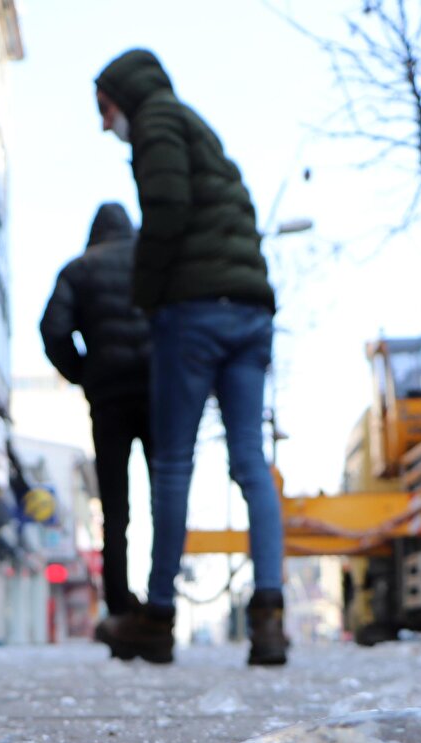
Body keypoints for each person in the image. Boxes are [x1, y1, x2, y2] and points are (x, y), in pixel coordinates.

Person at [91, 48, 287, 667]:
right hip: (252, 313)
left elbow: (167, 210)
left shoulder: (157, 122)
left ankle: (156, 618)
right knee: (251, 463)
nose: (104, 125)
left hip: (195, 312)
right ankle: (270, 616)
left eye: (104, 109)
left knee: (173, 463)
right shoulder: (197, 126)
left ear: (124, 96)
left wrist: (148, 296)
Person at [40, 202, 152, 622]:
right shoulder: (152, 262)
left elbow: (52, 330)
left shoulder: (78, 270)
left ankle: (120, 608)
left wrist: (85, 373)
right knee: (166, 493)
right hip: (158, 392)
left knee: (116, 508)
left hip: (109, 399)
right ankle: (162, 602)